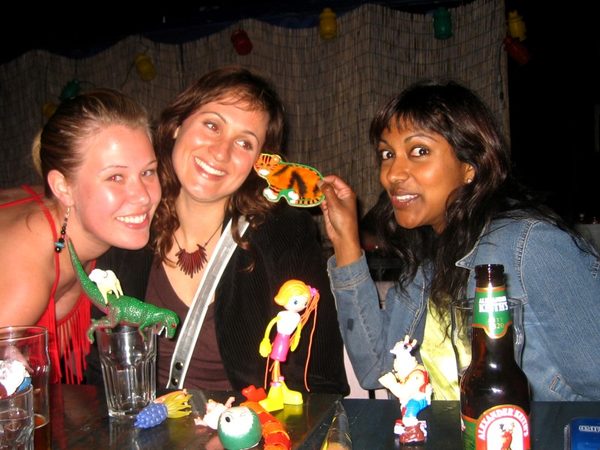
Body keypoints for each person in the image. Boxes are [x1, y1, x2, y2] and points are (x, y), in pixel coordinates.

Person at [319, 80, 600, 401]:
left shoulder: (530, 247)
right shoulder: (427, 265)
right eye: (387, 154)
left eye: (419, 151)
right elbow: (377, 369)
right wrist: (346, 240)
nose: (392, 174)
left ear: (470, 165)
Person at [91, 66, 349, 395]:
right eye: (212, 125)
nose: (220, 152)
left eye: (244, 142)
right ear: (177, 125)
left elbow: (318, 378)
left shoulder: (284, 232)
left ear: (261, 163)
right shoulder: (130, 220)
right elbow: (99, 367)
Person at [0, 89, 161, 384]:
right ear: (63, 187)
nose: (143, 196)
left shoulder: (84, 230)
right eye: (115, 177)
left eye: (148, 172)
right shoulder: (27, 270)